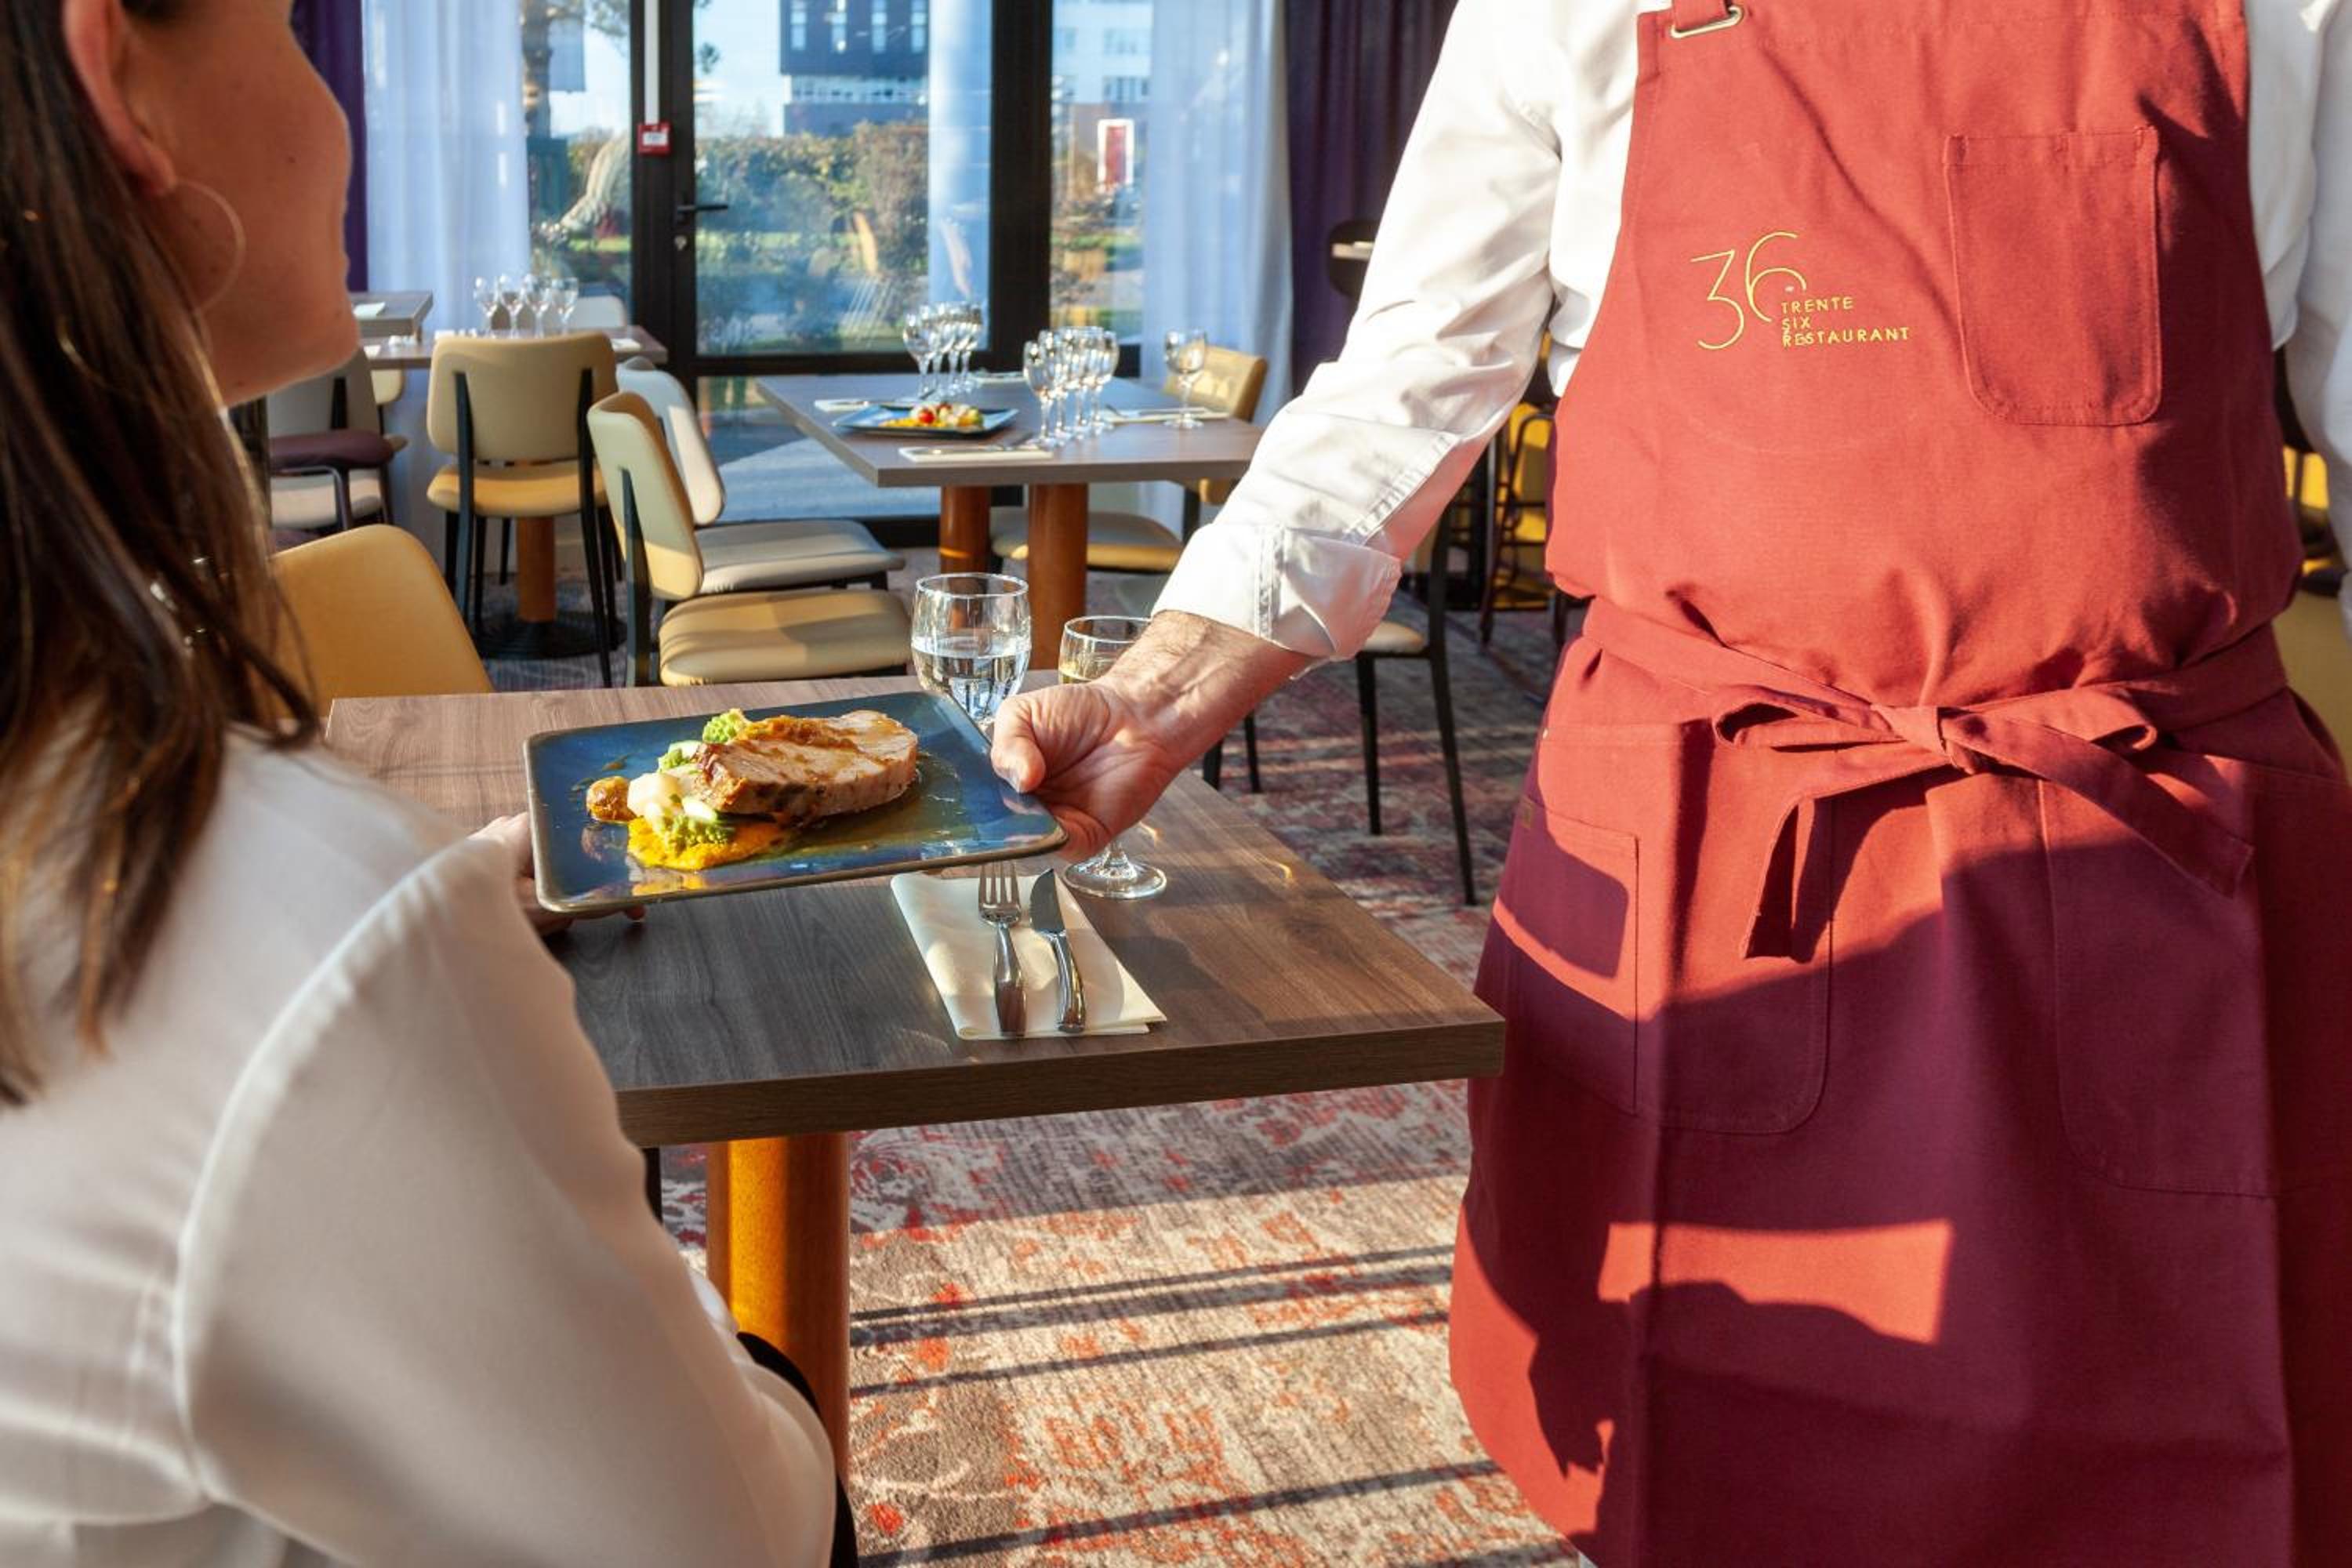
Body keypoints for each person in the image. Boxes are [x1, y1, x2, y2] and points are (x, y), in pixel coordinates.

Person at [994, 0, 2352, 1559]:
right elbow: (1408, 388)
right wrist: (1161, 696)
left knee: (2179, 1468)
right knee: (1695, 1459)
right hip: (1709, 844)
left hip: (2156, 855)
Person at [0, 3, 844, 1562]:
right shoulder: (294, 932)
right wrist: (755, 1371)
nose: (339, 116)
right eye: (290, 28)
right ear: (115, 72)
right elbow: (730, 1537)